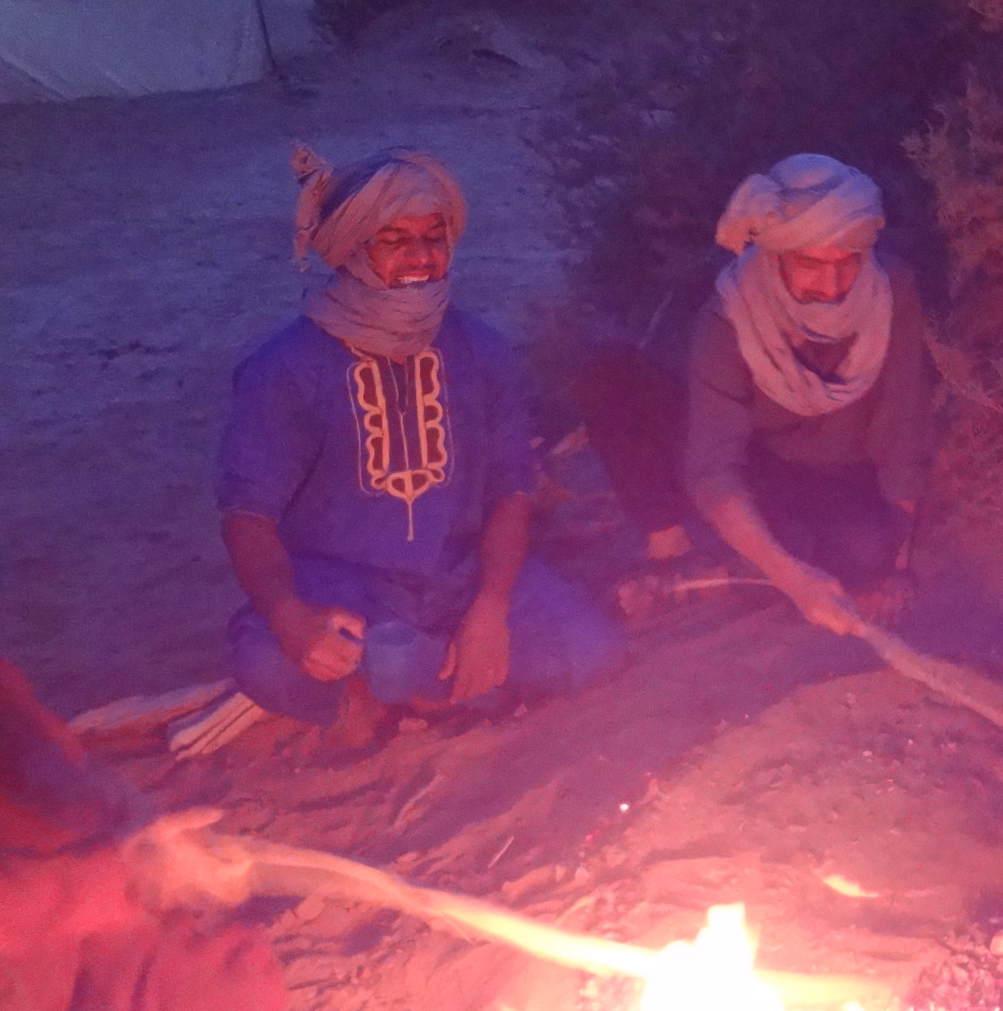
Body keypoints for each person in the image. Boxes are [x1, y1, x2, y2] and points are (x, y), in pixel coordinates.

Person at [218, 145, 625, 751]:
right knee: (265, 658)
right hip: (345, 594)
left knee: (592, 653)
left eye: (435, 238)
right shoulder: (286, 367)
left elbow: (511, 488)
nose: (421, 257)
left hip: (460, 579)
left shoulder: (484, 352)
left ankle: (413, 688)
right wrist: (288, 616)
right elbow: (246, 514)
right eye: (394, 241)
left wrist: (489, 608)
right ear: (353, 249)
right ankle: (411, 689)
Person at [575, 154, 935, 633]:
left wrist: (897, 566)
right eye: (811, 264)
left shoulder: (893, 291)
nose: (832, 286)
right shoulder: (730, 315)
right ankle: (676, 554)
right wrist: (795, 581)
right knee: (613, 375)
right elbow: (714, 469)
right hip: (757, 463)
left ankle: (731, 570)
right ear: (776, 254)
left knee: (868, 550)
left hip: (836, 474)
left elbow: (903, 433)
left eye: (848, 263)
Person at [0, 660, 308, 1011]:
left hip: (48, 920)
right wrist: (117, 876)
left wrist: (106, 802)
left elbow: (21, 724)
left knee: (216, 979)